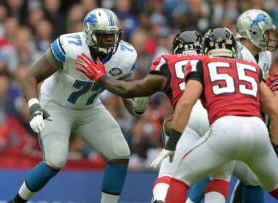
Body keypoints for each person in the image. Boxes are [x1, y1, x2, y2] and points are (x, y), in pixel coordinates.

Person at [8, 8, 149, 203]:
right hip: (56, 105)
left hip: (90, 107)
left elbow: (127, 96)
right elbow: (31, 76)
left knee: (120, 153)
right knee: (55, 161)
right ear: (89, 34)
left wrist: (138, 106)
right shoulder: (70, 46)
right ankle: (16, 201)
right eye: (103, 36)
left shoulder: (125, 56)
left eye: (112, 36)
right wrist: (34, 107)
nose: (109, 41)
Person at [76, 30, 229, 202]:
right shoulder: (216, 61)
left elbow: (130, 89)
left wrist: (101, 77)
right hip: (220, 117)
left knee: (169, 173)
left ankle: (160, 197)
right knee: (220, 176)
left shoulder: (167, 62)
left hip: (185, 119)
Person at [155, 27, 278, 203]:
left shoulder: (202, 64)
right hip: (257, 131)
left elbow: (186, 102)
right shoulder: (252, 67)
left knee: (179, 179)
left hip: (224, 129)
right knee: (261, 182)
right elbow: (274, 110)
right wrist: (275, 150)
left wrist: (172, 143)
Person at [186, 9, 278, 203]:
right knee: (220, 166)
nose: (270, 37)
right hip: (218, 115)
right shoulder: (233, 52)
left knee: (250, 176)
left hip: (240, 117)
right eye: (266, 32)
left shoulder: (265, 56)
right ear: (252, 32)